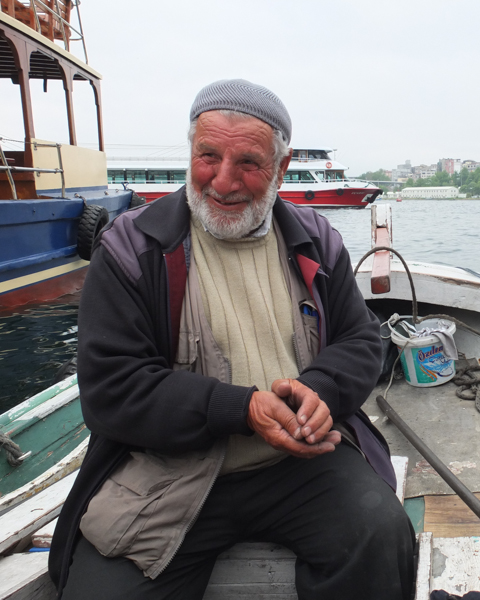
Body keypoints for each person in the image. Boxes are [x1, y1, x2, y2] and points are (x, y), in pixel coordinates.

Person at [49, 79, 416, 600]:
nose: (222, 181)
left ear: (281, 169)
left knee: (380, 536)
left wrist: (321, 390)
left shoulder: (316, 239)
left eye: (248, 162)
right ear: (191, 153)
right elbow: (112, 390)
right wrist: (242, 410)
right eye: (208, 156)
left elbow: (360, 340)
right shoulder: (132, 248)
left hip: (301, 464)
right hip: (168, 471)